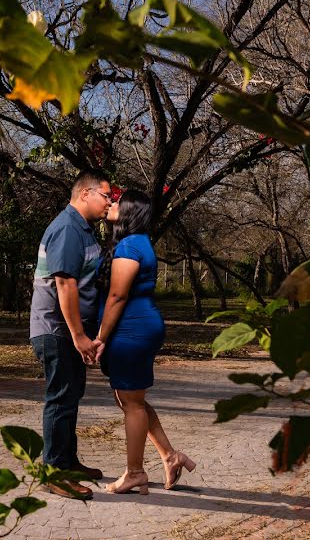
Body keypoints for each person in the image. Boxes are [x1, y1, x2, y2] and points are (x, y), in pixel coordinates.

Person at [94, 189, 195, 494]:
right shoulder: (135, 243)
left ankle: (135, 473)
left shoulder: (129, 247)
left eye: (117, 202)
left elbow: (117, 295)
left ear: (129, 213)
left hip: (131, 329)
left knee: (132, 404)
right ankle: (171, 456)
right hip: (135, 327)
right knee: (129, 400)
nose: (111, 203)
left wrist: (100, 337)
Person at [29, 170, 112, 500]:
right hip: (57, 331)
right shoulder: (67, 228)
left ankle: (68, 461)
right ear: (85, 195)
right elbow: (64, 284)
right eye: (106, 196)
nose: (110, 202)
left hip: (69, 332)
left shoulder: (84, 229)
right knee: (60, 399)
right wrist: (79, 335)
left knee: (70, 396)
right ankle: (54, 474)